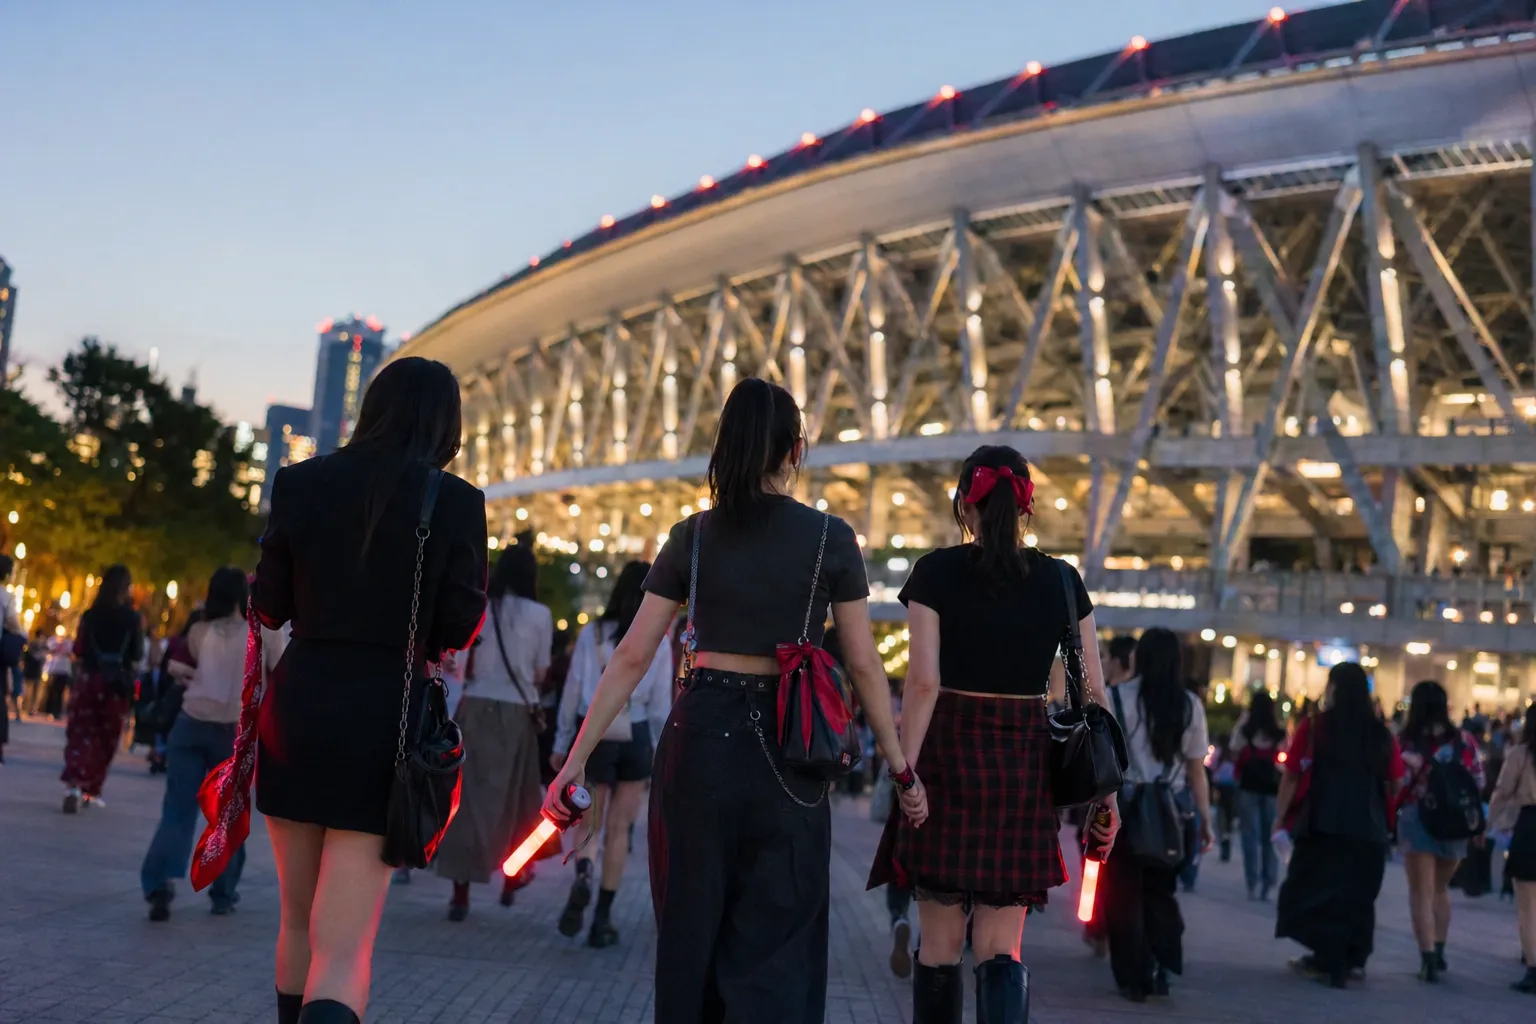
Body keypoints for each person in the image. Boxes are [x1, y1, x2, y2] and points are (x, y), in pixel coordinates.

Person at [543, 377, 922, 1024]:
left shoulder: (692, 536)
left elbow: (632, 655)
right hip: (791, 751)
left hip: (700, 738)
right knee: (778, 937)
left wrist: (573, 762)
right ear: (796, 450)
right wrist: (900, 767)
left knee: (690, 931)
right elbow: (862, 664)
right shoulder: (831, 540)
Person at [253, 357, 488, 1024]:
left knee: (296, 924)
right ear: (447, 424)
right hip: (386, 721)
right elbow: (458, 625)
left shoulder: (299, 484)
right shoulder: (455, 501)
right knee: (343, 947)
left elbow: (267, 607)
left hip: (297, 708)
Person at [868, 445, 1119, 1024]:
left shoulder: (935, 572)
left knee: (938, 949)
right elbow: (1093, 697)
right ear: (1025, 507)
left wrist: (907, 773)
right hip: (1023, 765)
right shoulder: (1061, 580)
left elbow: (925, 684)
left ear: (964, 504)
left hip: (947, 757)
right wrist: (1108, 796)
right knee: (1001, 950)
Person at [551, 560, 672, 947]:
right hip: (635, 735)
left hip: (597, 733)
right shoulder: (661, 640)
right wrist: (657, 750)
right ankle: (602, 919)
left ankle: (584, 874)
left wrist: (562, 744)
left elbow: (573, 691)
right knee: (620, 830)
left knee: (590, 824)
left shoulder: (593, 634)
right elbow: (659, 707)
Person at [434, 543, 554, 920]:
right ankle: (513, 876)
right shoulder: (541, 615)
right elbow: (539, 672)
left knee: (467, 802)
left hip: (476, 709)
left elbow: (459, 664)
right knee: (518, 802)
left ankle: (460, 894)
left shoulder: (480, 608)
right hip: (517, 715)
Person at [1274, 662, 1400, 988]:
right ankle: (1353, 960)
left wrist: (1280, 816)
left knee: (1315, 890)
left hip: (1323, 823)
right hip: (1369, 828)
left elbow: (1291, 776)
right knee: (1358, 895)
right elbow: (1395, 780)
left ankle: (1327, 959)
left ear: (1333, 689)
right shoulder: (1380, 733)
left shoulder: (1316, 727)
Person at [1101, 627, 1211, 1003]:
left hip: (1125, 808)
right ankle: (1162, 964)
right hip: (1170, 813)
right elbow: (1197, 769)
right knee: (1161, 892)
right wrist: (1206, 820)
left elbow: (1105, 761)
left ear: (1138, 658)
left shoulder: (1117, 697)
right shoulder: (1189, 704)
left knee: (1123, 893)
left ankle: (1133, 974)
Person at [140, 568, 249, 919]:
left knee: (177, 810)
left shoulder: (199, 631)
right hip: (232, 732)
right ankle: (222, 892)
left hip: (189, 726)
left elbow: (178, 669)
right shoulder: (257, 635)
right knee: (228, 817)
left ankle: (159, 883)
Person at [1397, 680, 1484, 982]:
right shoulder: (1464, 741)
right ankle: (1440, 949)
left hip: (1417, 817)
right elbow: (1478, 780)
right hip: (1456, 823)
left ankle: (1427, 958)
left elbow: (1395, 781)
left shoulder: (1406, 742)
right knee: (1439, 889)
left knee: (1420, 891)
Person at [61, 564, 143, 812]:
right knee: (106, 737)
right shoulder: (132, 619)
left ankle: (74, 784)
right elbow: (137, 654)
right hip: (116, 685)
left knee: (80, 733)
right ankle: (92, 789)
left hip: (89, 679)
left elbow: (79, 649)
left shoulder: (90, 615)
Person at [1488, 701, 1536, 992]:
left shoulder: (1522, 754)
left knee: (1528, 905)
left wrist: (1487, 823)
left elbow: (1503, 791)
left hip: (1530, 826)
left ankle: (1533, 966)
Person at [1230, 689, 1288, 900]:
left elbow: (1234, 751)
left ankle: (1251, 882)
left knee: (1249, 835)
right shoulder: (1279, 733)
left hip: (1247, 787)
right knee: (1269, 836)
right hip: (1272, 789)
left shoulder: (1245, 731)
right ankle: (1269, 880)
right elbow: (1285, 762)